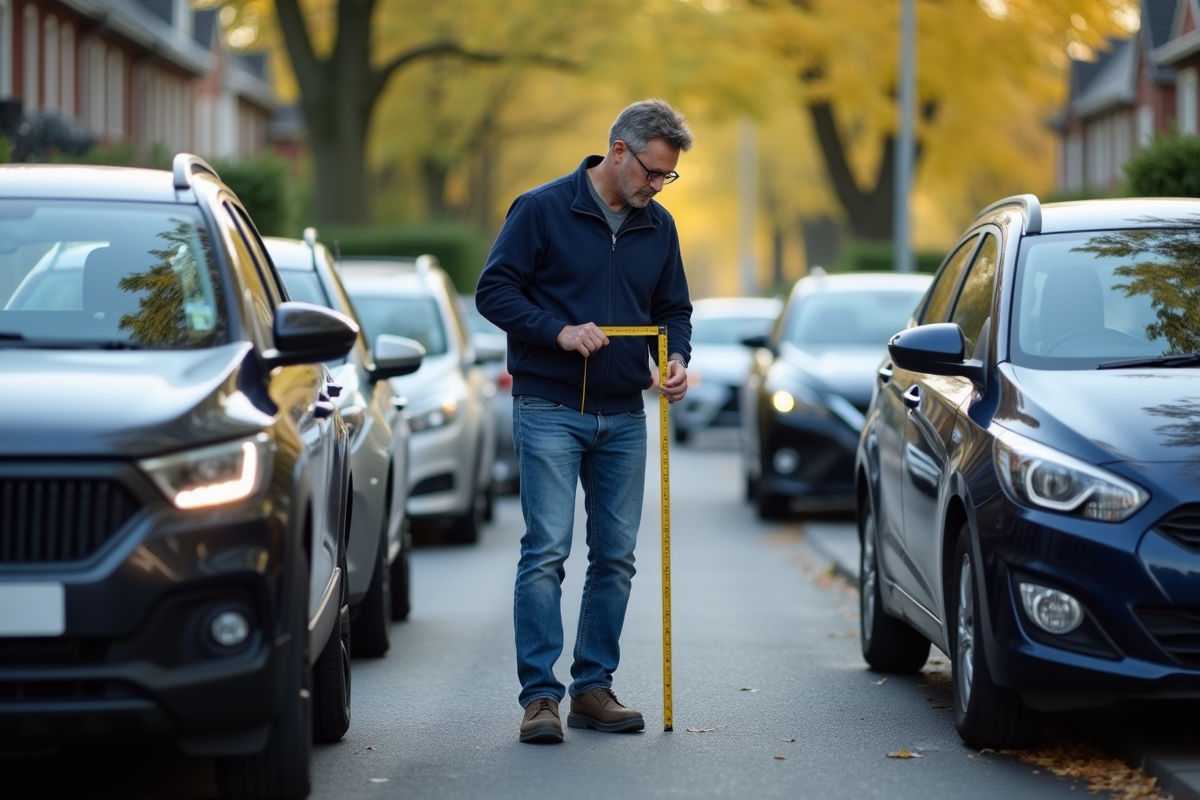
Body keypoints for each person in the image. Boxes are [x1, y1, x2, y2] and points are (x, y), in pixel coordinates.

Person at [475, 99, 694, 744]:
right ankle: (540, 699)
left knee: (617, 557)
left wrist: (675, 359)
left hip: (624, 412)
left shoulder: (659, 226)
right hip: (548, 406)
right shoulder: (541, 209)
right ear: (619, 151)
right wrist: (558, 331)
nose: (658, 186)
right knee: (547, 551)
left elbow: (672, 310)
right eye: (652, 172)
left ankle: (593, 689)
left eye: (668, 176)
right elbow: (494, 291)